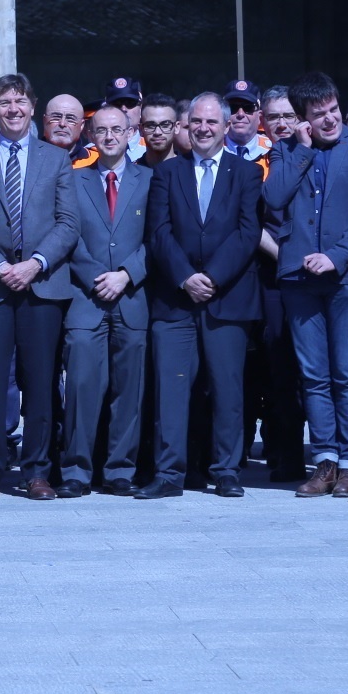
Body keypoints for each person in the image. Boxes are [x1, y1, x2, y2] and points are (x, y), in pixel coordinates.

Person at [0, 73, 79, 501]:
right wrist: (0, 266)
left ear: (33, 108)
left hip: (42, 285)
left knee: (40, 381)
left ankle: (37, 470)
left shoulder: (55, 159)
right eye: (5, 102)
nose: (13, 109)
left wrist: (35, 263)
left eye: (20, 101)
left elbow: (68, 222)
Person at [262, 71, 348, 497]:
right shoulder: (286, 150)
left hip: (347, 277)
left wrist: (336, 256)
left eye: (333, 110)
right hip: (298, 279)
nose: (330, 119)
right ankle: (325, 461)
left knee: (347, 373)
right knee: (313, 375)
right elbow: (274, 199)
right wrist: (302, 151)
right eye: (318, 114)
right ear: (303, 119)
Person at [143, 92, 262, 498]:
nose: (204, 128)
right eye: (196, 121)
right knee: (171, 389)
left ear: (226, 126)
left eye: (212, 122)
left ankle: (226, 470)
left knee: (228, 389)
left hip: (227, 297)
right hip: (175, 299)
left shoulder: (246, 174)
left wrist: (210, 277)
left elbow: (248, 233)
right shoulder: (167, 173)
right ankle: (168, 473)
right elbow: (158, 232)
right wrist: (185, 277)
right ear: (185, 126)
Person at [59, 105, 150, 497]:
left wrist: (127, 273)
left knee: (129, 390)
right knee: (81, 387)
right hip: (87, 298)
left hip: (132, 296)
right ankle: (76, 471)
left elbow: (158, 236)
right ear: (90, 135)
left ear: (130, 133)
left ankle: (119, 470)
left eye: (117, 129)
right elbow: (66, 234)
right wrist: (97, 276)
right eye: (101, 130)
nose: (109, 137)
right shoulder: (72, 180)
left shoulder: (151, 180)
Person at [223, 80, 268, 161]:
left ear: (260, 117)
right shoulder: (212, 151)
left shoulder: (272, 151)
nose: (240, 114)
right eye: (233, 107)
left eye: (248, 108)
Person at [137, 93, 182, 168]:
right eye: (150, 126)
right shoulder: (129, 173)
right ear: (140, 129)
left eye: (165, 125)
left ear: (177, 127)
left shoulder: (191, 171)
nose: (157, 132)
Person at [41, 94, 88, 159]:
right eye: (56, 117)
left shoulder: (95, 161)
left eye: (70, 119)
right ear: (44, 120)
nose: (62, 124)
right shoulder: (29, 156)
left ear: (82, 125)